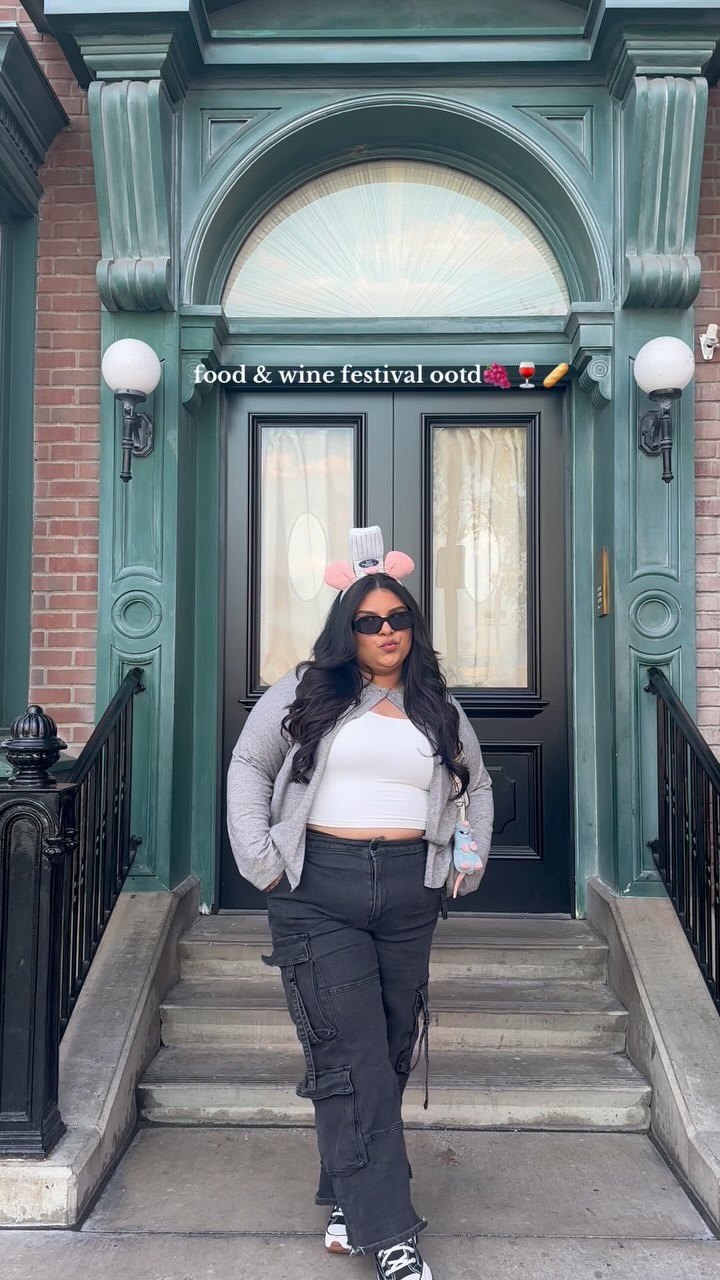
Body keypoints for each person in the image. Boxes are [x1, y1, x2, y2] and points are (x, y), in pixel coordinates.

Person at [227, 527, 494, 1280]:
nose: (385, 632)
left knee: (389, 1044)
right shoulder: (306, 691)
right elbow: (249, 766)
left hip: (409, 890)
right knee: (354, 1056)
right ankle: (391, 1232)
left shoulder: (436, 704)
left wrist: (466, 860)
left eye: (397, 618)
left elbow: (475, 784)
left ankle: (349, 1192)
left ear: (413, 626)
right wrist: (262, 862)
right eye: (369, 621)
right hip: (319, 888)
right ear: (347, 629)